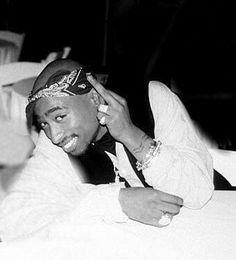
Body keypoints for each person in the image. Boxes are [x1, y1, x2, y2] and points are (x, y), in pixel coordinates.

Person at [0, 59, 214, 241]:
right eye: (44, 124)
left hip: (205, 234)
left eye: (60, 116)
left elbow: (198, 193)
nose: (54, 134)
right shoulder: (58, 140)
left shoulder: (151, 98)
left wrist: (133, 136)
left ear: (94, 99)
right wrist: (116, 201)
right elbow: (13, 216)